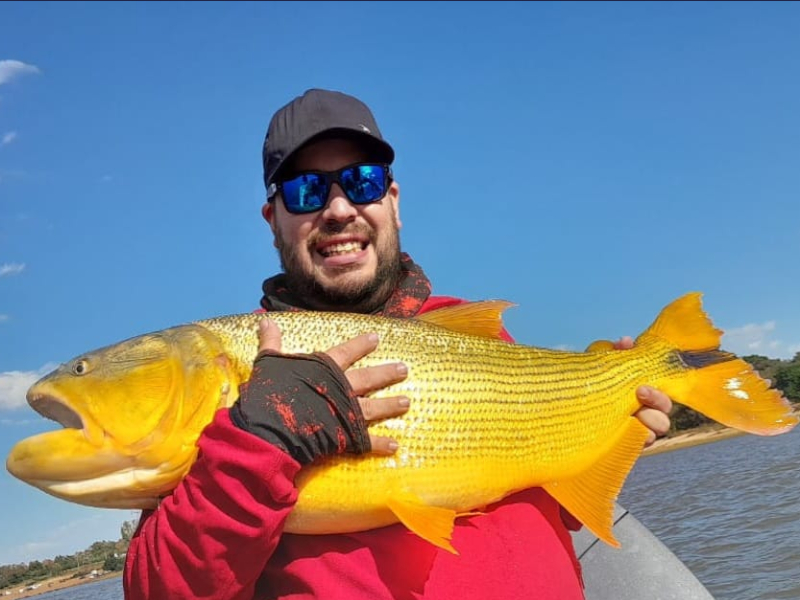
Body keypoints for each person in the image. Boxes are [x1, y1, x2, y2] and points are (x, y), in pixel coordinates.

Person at [123, 88, 673, 600]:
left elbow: (548, 496)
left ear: (392, 200)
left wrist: (611, 424)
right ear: (274, 221)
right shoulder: (236, 367)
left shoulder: (469, 329)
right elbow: (158, 589)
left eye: (361, 182)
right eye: (306, 191)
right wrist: (258, 443)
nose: (338, 209)